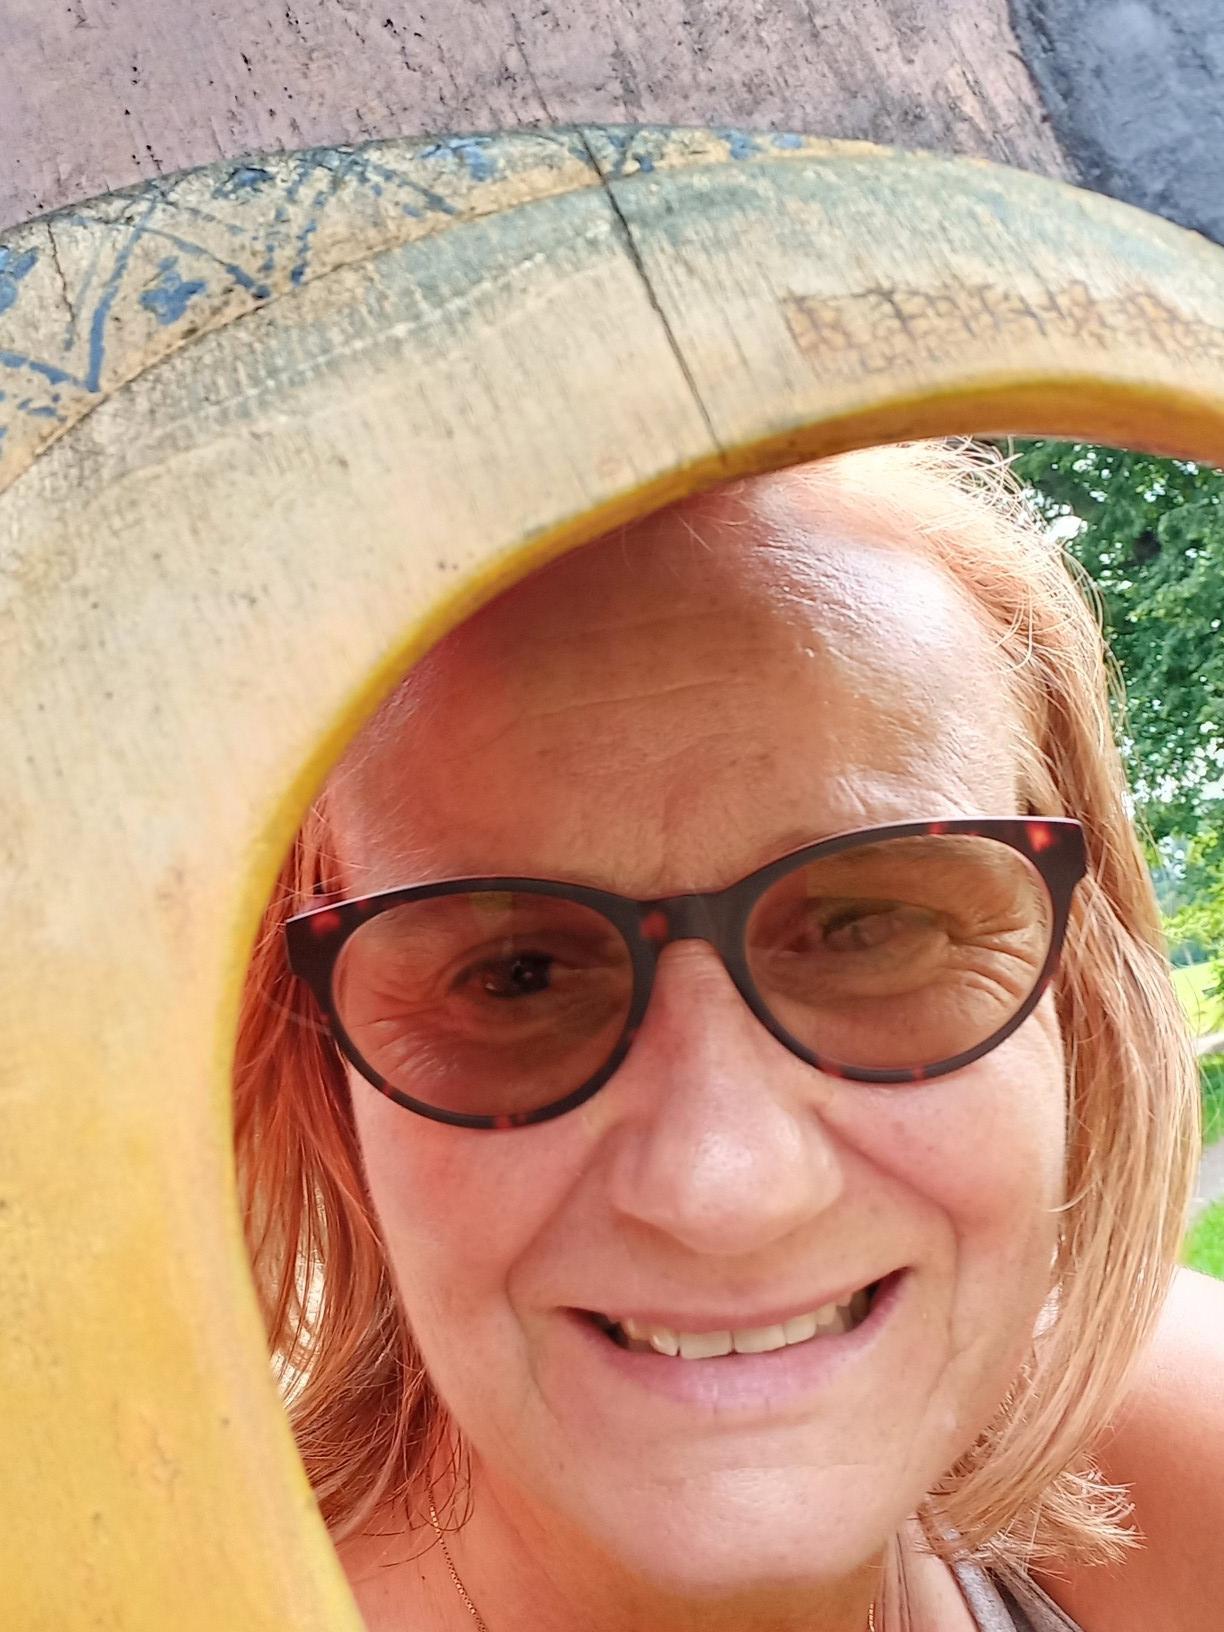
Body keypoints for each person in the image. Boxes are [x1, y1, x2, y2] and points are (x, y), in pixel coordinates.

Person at [235, 441, 1224, 1632]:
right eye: (515, 977)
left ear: (1077, 982)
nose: (724, 1190)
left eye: (868, 929)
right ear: (321, 1067)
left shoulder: (1180, 1467)